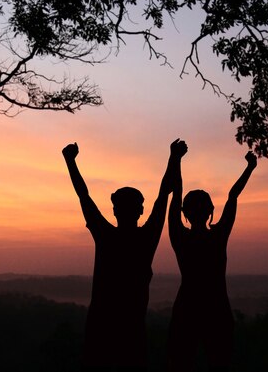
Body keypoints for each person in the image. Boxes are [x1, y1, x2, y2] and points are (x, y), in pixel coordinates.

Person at [62, 139, 188, 371]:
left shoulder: (106, 234)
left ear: (114, 210)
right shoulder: (145, 237)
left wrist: (70, 161)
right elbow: (163, 196)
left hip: (103, 326)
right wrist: (174, 158)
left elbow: (84, 196)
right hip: (130, 328)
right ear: (140, 210)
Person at [168, 150, 258, 372]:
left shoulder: (180, 237)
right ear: (210, 212)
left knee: (182, 364)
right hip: (216, 308)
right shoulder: (217, 237)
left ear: (185, 214)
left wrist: (176, 159)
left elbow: (176, 194)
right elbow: (232, 196)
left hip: (186, 308)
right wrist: (249, 168)